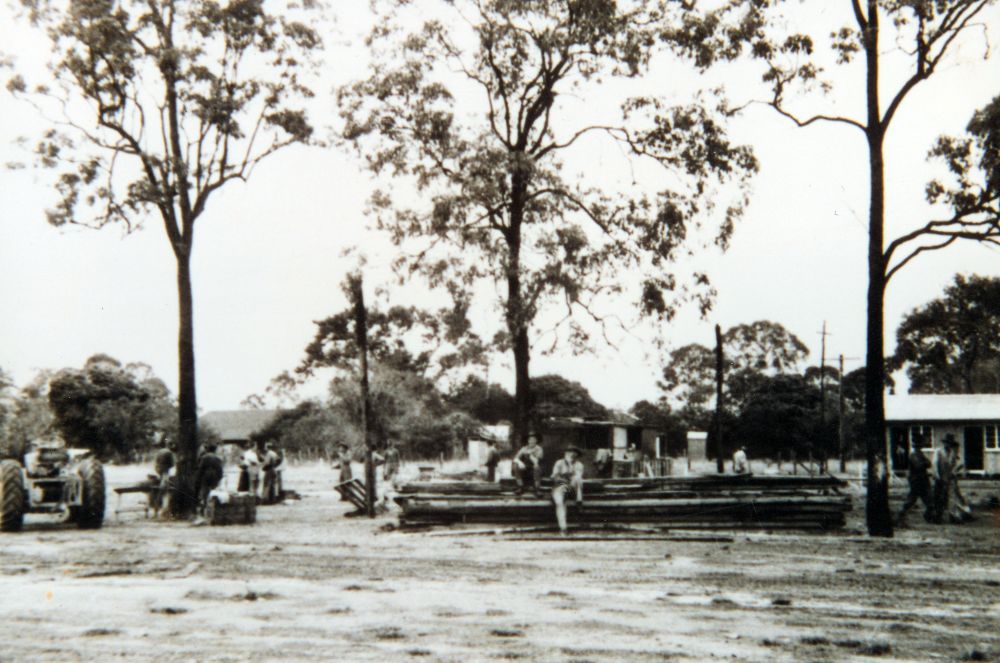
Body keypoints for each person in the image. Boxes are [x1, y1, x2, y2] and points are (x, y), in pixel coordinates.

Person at [895, 440, 933, 527]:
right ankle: (900, 515)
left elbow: (929, 463)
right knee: (911, 499)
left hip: (923, 480)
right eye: (917, 447)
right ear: (914, 447)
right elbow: (919, 465)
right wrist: (925, 463)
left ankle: (929, 516)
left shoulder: (921, 455)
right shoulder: (913, 455)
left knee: (928, 499)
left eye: (919, 447)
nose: (919, 448)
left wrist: (925, 463)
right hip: (916, 480)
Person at [931, 434, 967, 523]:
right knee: (939, 497)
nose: (948, 445)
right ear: (944, 443)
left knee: (952, 497)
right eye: (946, 443)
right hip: (940, 478)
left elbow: (959, 464)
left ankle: (953, 517)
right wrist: (937, 476)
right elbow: (935, 464)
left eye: (949, 443)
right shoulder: (938, 451)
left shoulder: (953, 452)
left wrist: (954, 472)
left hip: (950, 478)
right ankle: (937, 516)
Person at [551, 446, 584, 534]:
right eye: (569, 452)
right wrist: (564, 479)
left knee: (577, 478)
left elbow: (578, 477)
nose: (571, 454)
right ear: (565, 454)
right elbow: (555, 476)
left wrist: (570, 474)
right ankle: (563, 528)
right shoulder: (559, 463)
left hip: (573, 489)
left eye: (574, 453)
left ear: (577, 455)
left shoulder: (579, 464)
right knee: (560, 503)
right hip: (560, 486)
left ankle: (579, 501)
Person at [194, 442, 225, 516]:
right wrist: (220, 477)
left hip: (206, 475)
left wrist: (198, 477)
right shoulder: (217, 458)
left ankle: (204, 508)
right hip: (214, 476)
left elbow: (201, 468)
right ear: (215, 450)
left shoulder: (204, 457)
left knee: (205, 492)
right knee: (213, 492)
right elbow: (220, 469)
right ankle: (211, 509)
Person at [151, 440, 176, 516]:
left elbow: (155, 461)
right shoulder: (169, 453)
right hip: (165, 471)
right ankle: (161, 509)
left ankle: (158, 508)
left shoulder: (160, 451)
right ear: (171, 445)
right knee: (164, 490)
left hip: (158, 470)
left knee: (161, 488)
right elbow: (172, 464)